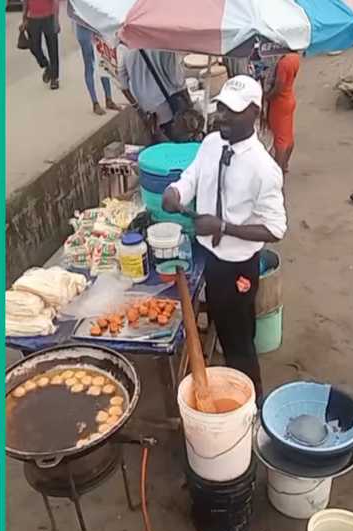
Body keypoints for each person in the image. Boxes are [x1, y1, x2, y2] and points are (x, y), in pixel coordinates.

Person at [162, 76, 287, 403]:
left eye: (233, 111)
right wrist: (176, 191)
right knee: (220, 315)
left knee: (240, 339)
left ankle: (250, 403)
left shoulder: (264, 168)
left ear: (254, 113)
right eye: (221, 108)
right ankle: (224, 372)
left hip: (238, 265)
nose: (223, 117)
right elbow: (192, 176)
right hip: (206, 256)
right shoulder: (211, 144)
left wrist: (223, 227)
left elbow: (276, 228)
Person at [117, 46, 188, 142]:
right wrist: (188, 101)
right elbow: (176, 79)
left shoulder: (124, 48)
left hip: (145, 106)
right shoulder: (162, 44)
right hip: (165, 102)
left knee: (159, 140)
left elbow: (123, 85)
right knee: (179, 141)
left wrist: (138, 108)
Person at [68, 4, 118, 115]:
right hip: (84, 27)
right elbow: (71, 11)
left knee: (104, 62)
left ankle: (108, 98)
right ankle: (95, 102)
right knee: (89, 64)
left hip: (97, 27)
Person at [265, 52, 300, 174]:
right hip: (289, 98)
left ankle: (278, 169)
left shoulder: (284, 63)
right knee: (287, 136)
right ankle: (284, 164)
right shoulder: (295, 57)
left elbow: (278, 87)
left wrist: (267, 97)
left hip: (280, 103)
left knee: (280, 141)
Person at [24, 0, 61, 90]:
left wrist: (56, 21)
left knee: (53, 48)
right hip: (32, 19)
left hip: (49, 17)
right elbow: (25, 3)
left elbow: (56, 2)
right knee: (34, 46)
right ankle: (46, 65)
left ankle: (54, 78)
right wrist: (24, 19)